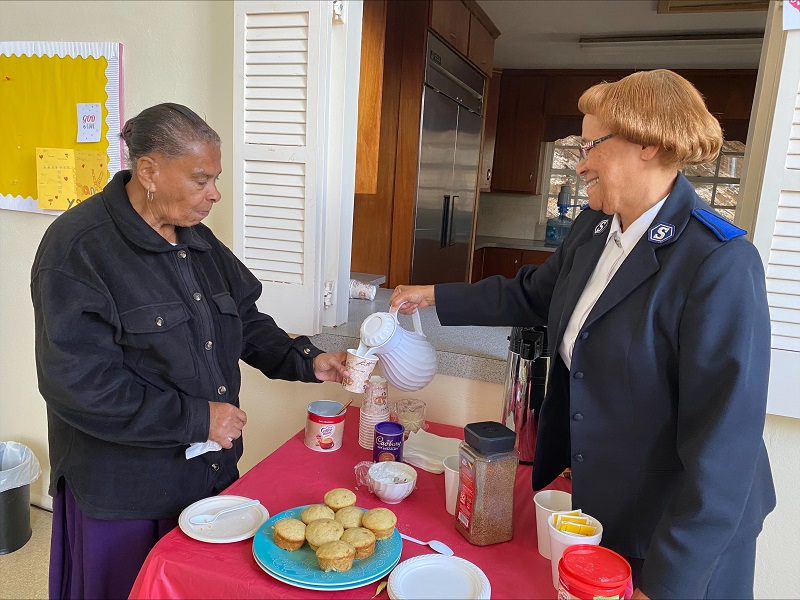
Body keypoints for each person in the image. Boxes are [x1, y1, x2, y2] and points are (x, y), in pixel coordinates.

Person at [391, 70, 775, 599]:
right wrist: (434, 294)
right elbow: (533, 295)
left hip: (677, 533)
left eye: (592, 144)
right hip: (604, 507)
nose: (581, 161)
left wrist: (663, 585)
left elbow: (724, 450)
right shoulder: (595, 230)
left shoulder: (718, 261)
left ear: (649, 144)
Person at [30, 103, 348, 599]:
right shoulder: (79, 248)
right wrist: (197, 419)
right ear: (149, 170)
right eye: (201, 180)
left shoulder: (195, 238)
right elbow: (77, 384)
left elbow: (243, 319)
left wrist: (307, 359)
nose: (214, 194)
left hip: (205, 474)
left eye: (215, 179)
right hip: (125, 493)